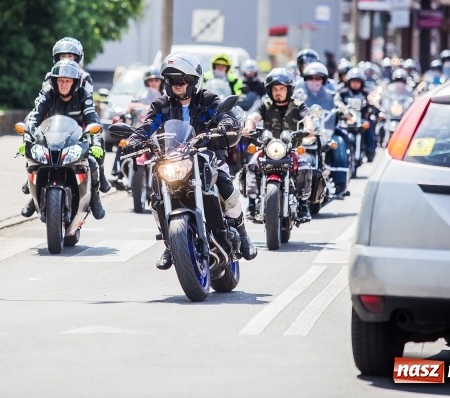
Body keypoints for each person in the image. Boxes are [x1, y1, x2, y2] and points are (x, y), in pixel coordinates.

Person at [122, 52, 257, 269]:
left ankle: (242, 231)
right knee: (156, 193)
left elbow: (226, 115)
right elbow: (148, 125)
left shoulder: (209, 99)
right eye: (172, 80)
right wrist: (135, 139)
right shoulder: (160, 105)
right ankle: (170, 243)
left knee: (223, 180)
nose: (177, 85)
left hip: (206, 154)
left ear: (193, 81)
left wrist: (225, 126)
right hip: (172, 157)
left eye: (182, 80)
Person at [23, 60, 107, 219]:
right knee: (32, 161)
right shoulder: (47, 94)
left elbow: (92, 120)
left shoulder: (83, 95)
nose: (63, 84)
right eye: (60, 80)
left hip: (76, 143)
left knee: (93, 163)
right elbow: (34, 118)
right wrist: (28, 137)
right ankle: (33, 197)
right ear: (54, 81)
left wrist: (96, 143)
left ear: (74, 82)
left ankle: (95, 198)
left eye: (67, 81)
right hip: (49, 141)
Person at [244, 68, 313, 223]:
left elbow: (307, 118)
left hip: (291, 149)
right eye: (275, 89)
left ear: (289, 90)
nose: (278, 92)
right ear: (270, 90)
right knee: (252, 165)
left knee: (304, 167)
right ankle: (252, 204)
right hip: (268, 148)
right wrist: (249, 125)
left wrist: (308, 128)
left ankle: (303, 205)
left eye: (282, 89)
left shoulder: (298, 105)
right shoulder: (264, 104)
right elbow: (254, 116)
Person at [299, 62, 350, 196]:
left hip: (325, 132)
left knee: (338, 143)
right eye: (310, 78)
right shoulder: (299, 96)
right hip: (305, 133)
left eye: (318, 78)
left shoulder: (331, 95)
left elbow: (341, 106)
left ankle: (340, 183)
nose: (314, 81)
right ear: (305, 80)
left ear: (323, 80)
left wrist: (344, 112)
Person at [110, 67, 164, 183]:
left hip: (157, 131)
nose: (153, 83)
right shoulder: (140, 96)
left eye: (156, 80)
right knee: (124, 142)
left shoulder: (164, 97)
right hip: (140, 127)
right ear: (146, 82)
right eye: (151, 80)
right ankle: (117, 173)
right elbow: (129, 107)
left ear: (161, 82)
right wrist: (122, 116)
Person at [339, 68, 377, 163]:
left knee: (368, 125)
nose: (355, 83)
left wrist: (373, 103)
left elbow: (372, 100)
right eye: (353, 81)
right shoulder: (343, 93)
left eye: (358, 81)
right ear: (349, 82)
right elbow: (337, 102)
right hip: (346, 120)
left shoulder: (365, 93)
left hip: (361, 119)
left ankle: (370, 151)